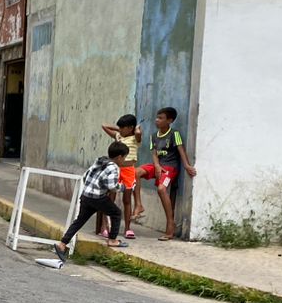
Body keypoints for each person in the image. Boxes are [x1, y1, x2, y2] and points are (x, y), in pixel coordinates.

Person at [53, 141, 131, 262]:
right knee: (116, 213)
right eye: (124, 158)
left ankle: (62, 244)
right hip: (98, 197)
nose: (124, 161)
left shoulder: (99, 161)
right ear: (119, 157)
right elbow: (111, 186)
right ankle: (112, 240)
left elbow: (85, 176)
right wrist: (124, 187)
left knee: (79, 221)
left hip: (86, 195)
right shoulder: (114, 167)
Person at [137, 105, 197, 241]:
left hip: (170, 168)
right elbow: (154, 154)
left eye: (161, 118)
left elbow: (181, 150)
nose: (157, 120)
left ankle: (170, 224)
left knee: (161, 189)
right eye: (157, 118)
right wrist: (157, 166)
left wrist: (187, 165)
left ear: (169, 120)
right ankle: (138, 205)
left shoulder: (174, 134)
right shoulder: (153, 136)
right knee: (136, 172)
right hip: (159, 166)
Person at [98, 113, 142, 239]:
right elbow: (104, 126)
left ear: (130, 128)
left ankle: (127, 228)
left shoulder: (135, 139)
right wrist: (119, 130)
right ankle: (104, 226)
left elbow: (138, 134)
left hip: (128, 170)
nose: (121, 130)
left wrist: (136, 130)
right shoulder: (118, 136)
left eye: (123, 127)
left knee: (127, 200)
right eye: (120, 127)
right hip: (116, 169)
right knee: (110, 198)